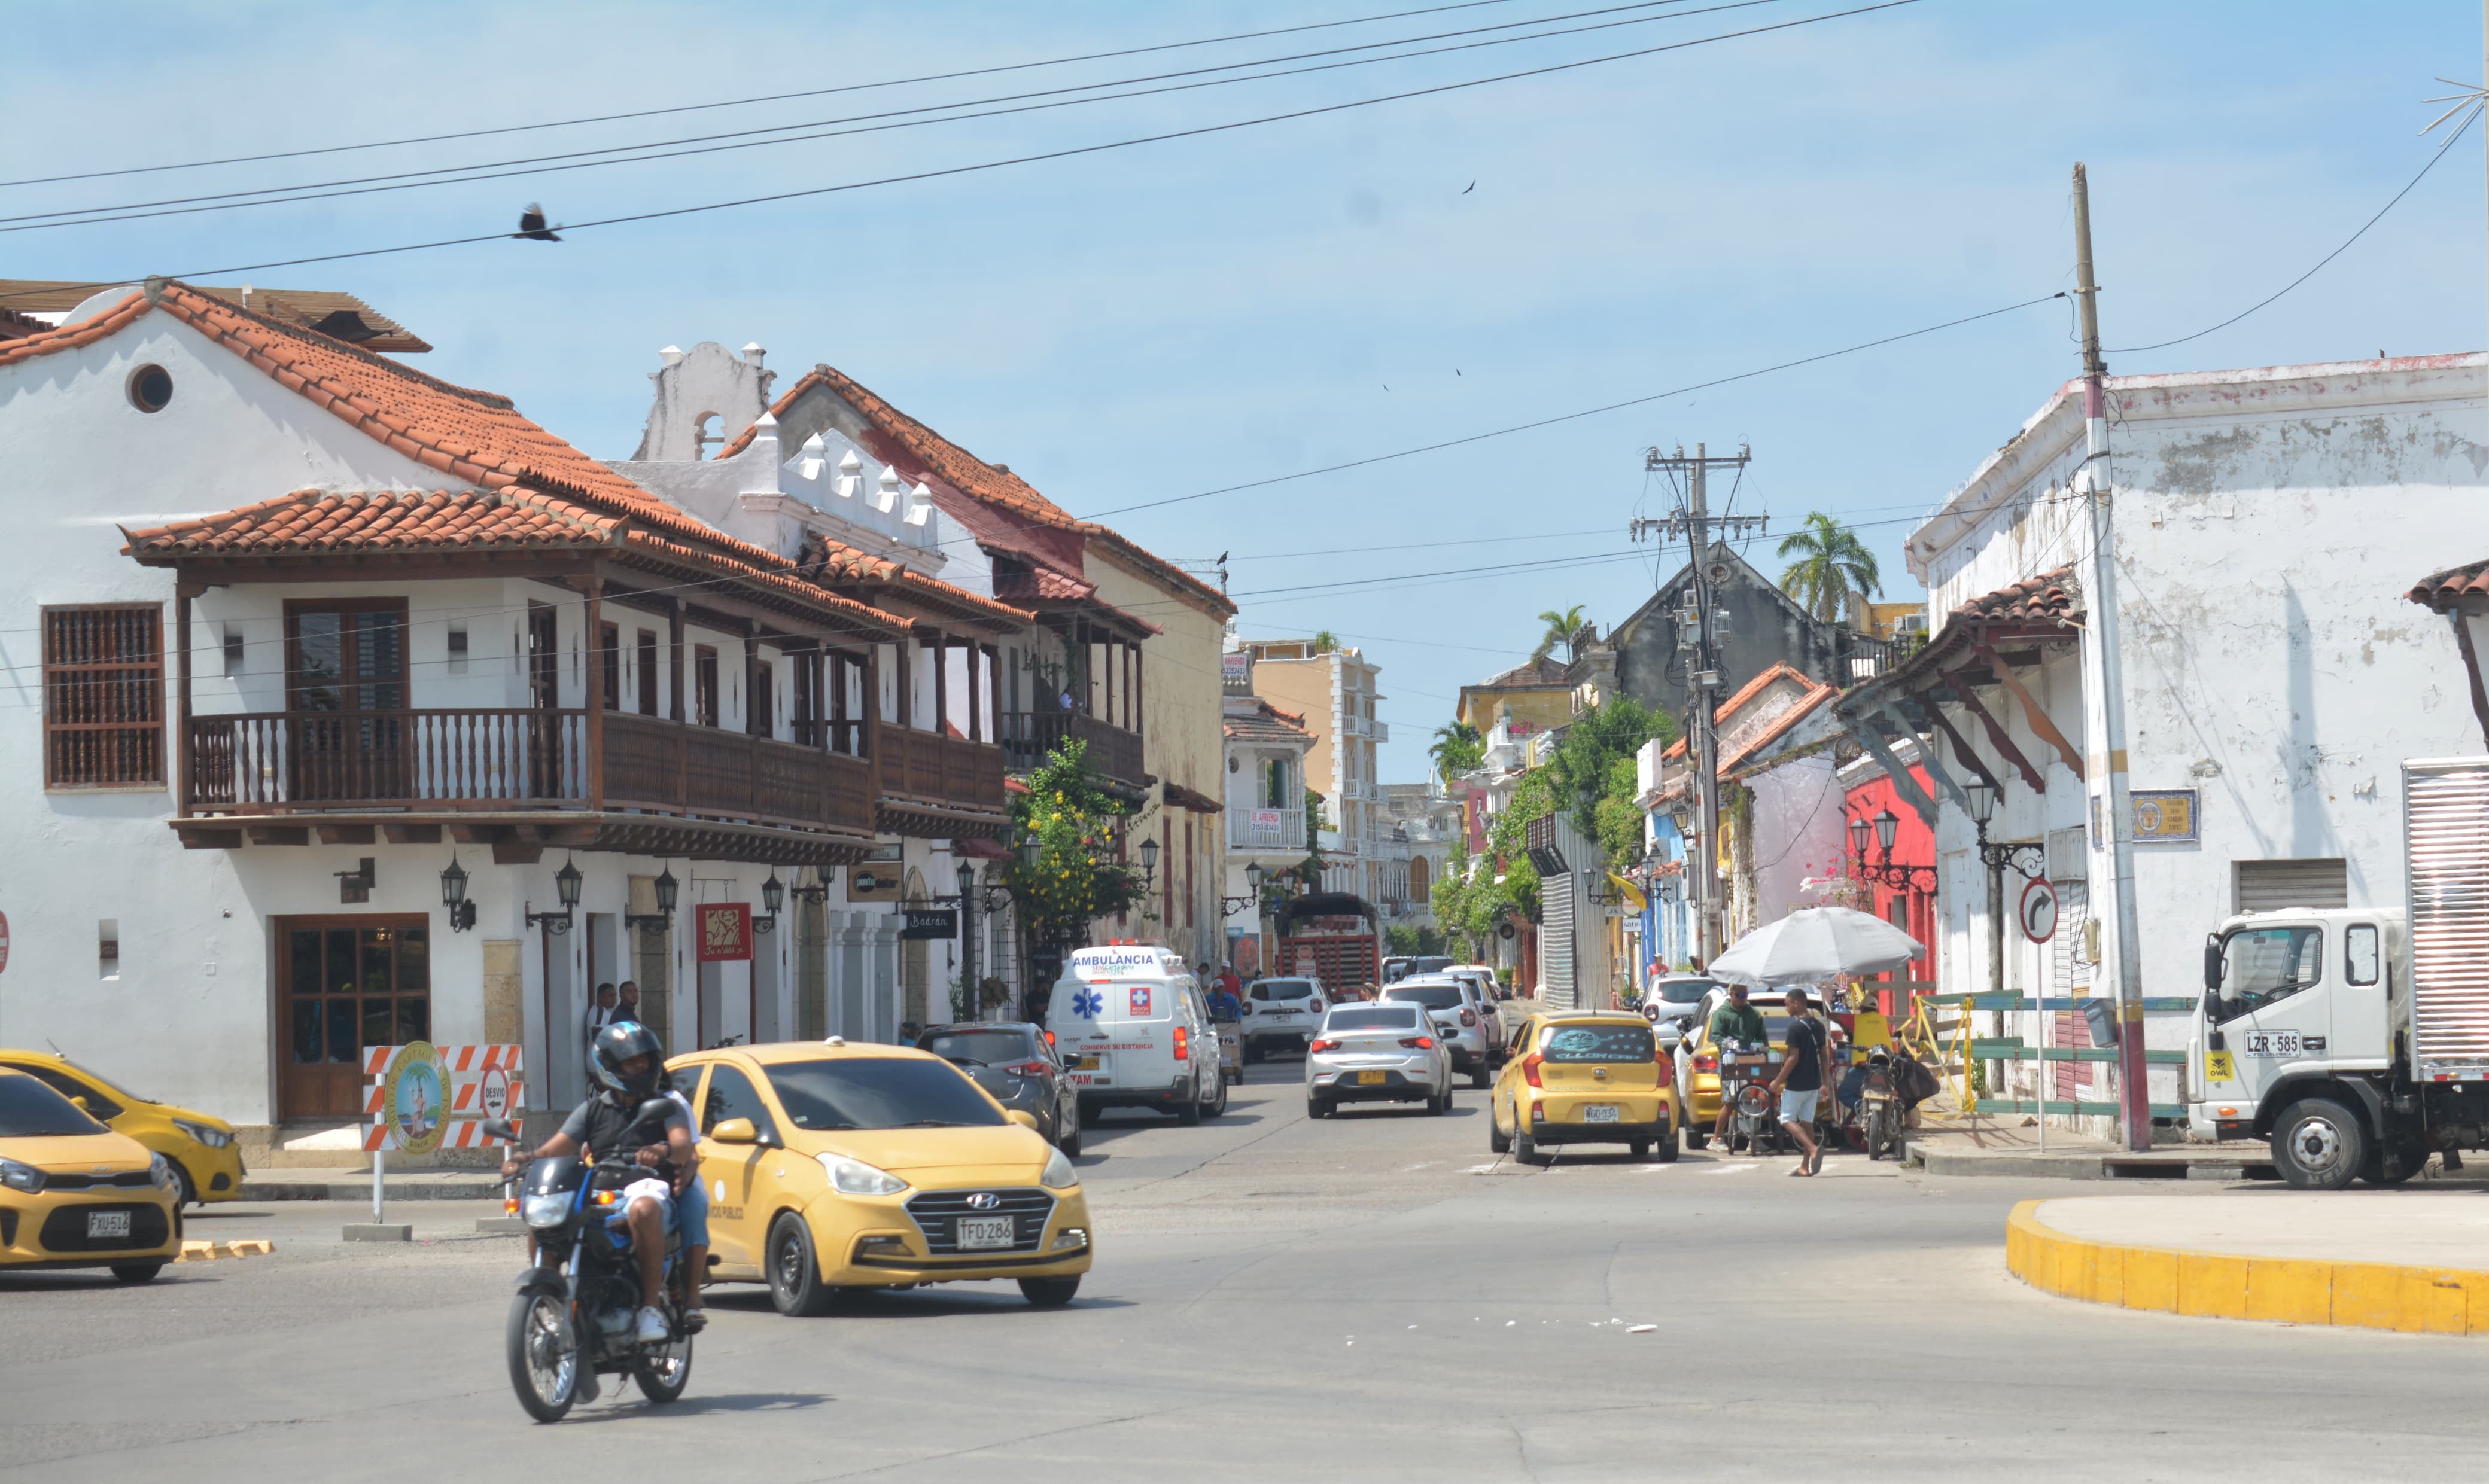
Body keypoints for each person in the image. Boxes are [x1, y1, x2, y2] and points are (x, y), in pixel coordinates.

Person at [502, 1021, 694, 1343]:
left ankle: (650, 1310)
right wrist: (525, 1159)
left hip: (649, 1188)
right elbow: (556, 1148)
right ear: (610, 1066)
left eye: (645, 1060)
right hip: (602, 1191)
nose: (642, 1067)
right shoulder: (593, 1110)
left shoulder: (666, 1106)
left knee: (644, 1209)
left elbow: (683, 1145)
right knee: (543, 1225)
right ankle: (549, 1305)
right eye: (632, 1061)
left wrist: (662, 1149)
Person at [1770, 988, 1840, 1177]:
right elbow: (1825, 1056)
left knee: (1786, 1119)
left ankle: (1813, 1148)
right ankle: (1804, 1166)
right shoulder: (1818, 1026)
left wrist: (1778, 1080)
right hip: (1814, 1082)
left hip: (1797, 1083)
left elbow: (1793, 1058)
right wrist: (1824, 1083)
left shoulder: (1795, 1028)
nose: (1786, 1009)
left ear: (1797, 1003)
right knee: (1807, 1122)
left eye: (1787, 1004)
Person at [1706, 983, 1769, 1150]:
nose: (1744, 999)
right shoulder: (1722, 1014)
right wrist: (1732, 1047)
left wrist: (1761, 1050)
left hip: (1751, 1064)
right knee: (1730, 1101)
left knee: (1752, 1099)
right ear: (1732, 995)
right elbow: (1718, 1037)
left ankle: (1754, 1140)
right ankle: (1716, 1139)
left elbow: (1763, 1038)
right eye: (1740, 996)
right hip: (1731, 1065)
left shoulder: (1753, 1014)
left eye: (1746, 995)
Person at [585, 982, 618, 1046]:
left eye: (615, 995)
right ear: (600, 997)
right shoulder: (598, 1011)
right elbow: (597, 1036)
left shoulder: (607, 1012)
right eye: (610, 995)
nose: (614, 999)